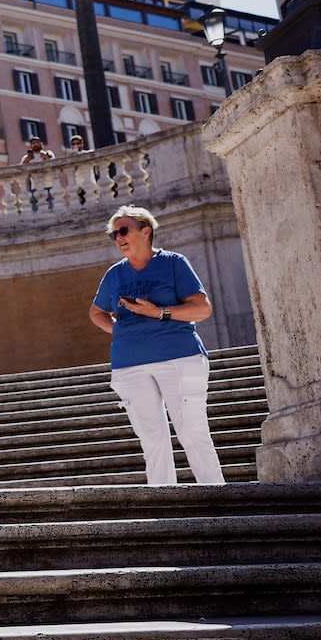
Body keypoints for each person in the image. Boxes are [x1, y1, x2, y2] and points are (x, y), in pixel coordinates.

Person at [88, 206, 226, 486]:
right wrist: (123, 332)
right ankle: (166, 508)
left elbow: (201, 309)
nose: (118, 238)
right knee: (152, 441)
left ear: (145, 230)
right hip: (129, 364)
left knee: (193, 433)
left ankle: (218, 500)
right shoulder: (114, 274)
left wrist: (158, 313)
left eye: (124, 230)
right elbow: (96, 312)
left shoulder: (174, 263)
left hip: (180, 356)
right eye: (114, 234)